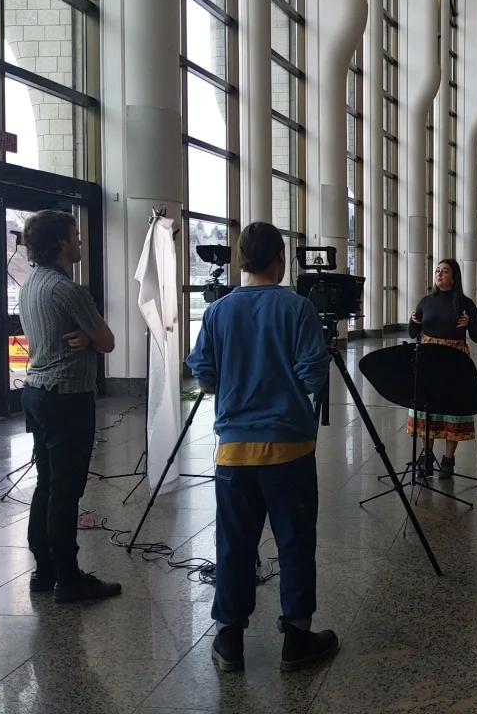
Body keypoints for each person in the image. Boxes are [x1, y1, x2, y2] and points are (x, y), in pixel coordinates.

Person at [186, 222, 337, 673]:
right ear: (280, 259)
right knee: (294, 542)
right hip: (289, 450)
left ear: (241, 261)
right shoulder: (299, 308)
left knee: (233, 545)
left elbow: (204, 373)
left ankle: (230, 639)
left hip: (234, 451)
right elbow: (313, 377)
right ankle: (296, 636)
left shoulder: (217, 312)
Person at [19, 209, 122, 604]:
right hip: (67, 398)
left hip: (36, 393)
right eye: (76, 235)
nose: (80, 240)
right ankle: (69, 578)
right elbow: (109, 340)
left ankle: (44, 571)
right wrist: (91, 335)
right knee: (65, 491)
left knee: (47, 484)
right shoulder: (69, 290)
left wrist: (83, 334)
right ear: (61, 242)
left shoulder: (31, 284)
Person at [407, 259, 477, 479]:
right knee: (425, 407)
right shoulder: (426, 301)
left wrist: (468, 324)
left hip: (455, 361)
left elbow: (476, 336)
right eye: (437, 270)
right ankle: (427, 454)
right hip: (429, 359)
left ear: (454, 277)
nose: (439, 274)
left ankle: (448, 459)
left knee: (452, 409)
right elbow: (412, 332)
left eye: (445, 271)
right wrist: (413, 321)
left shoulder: (465, 304)